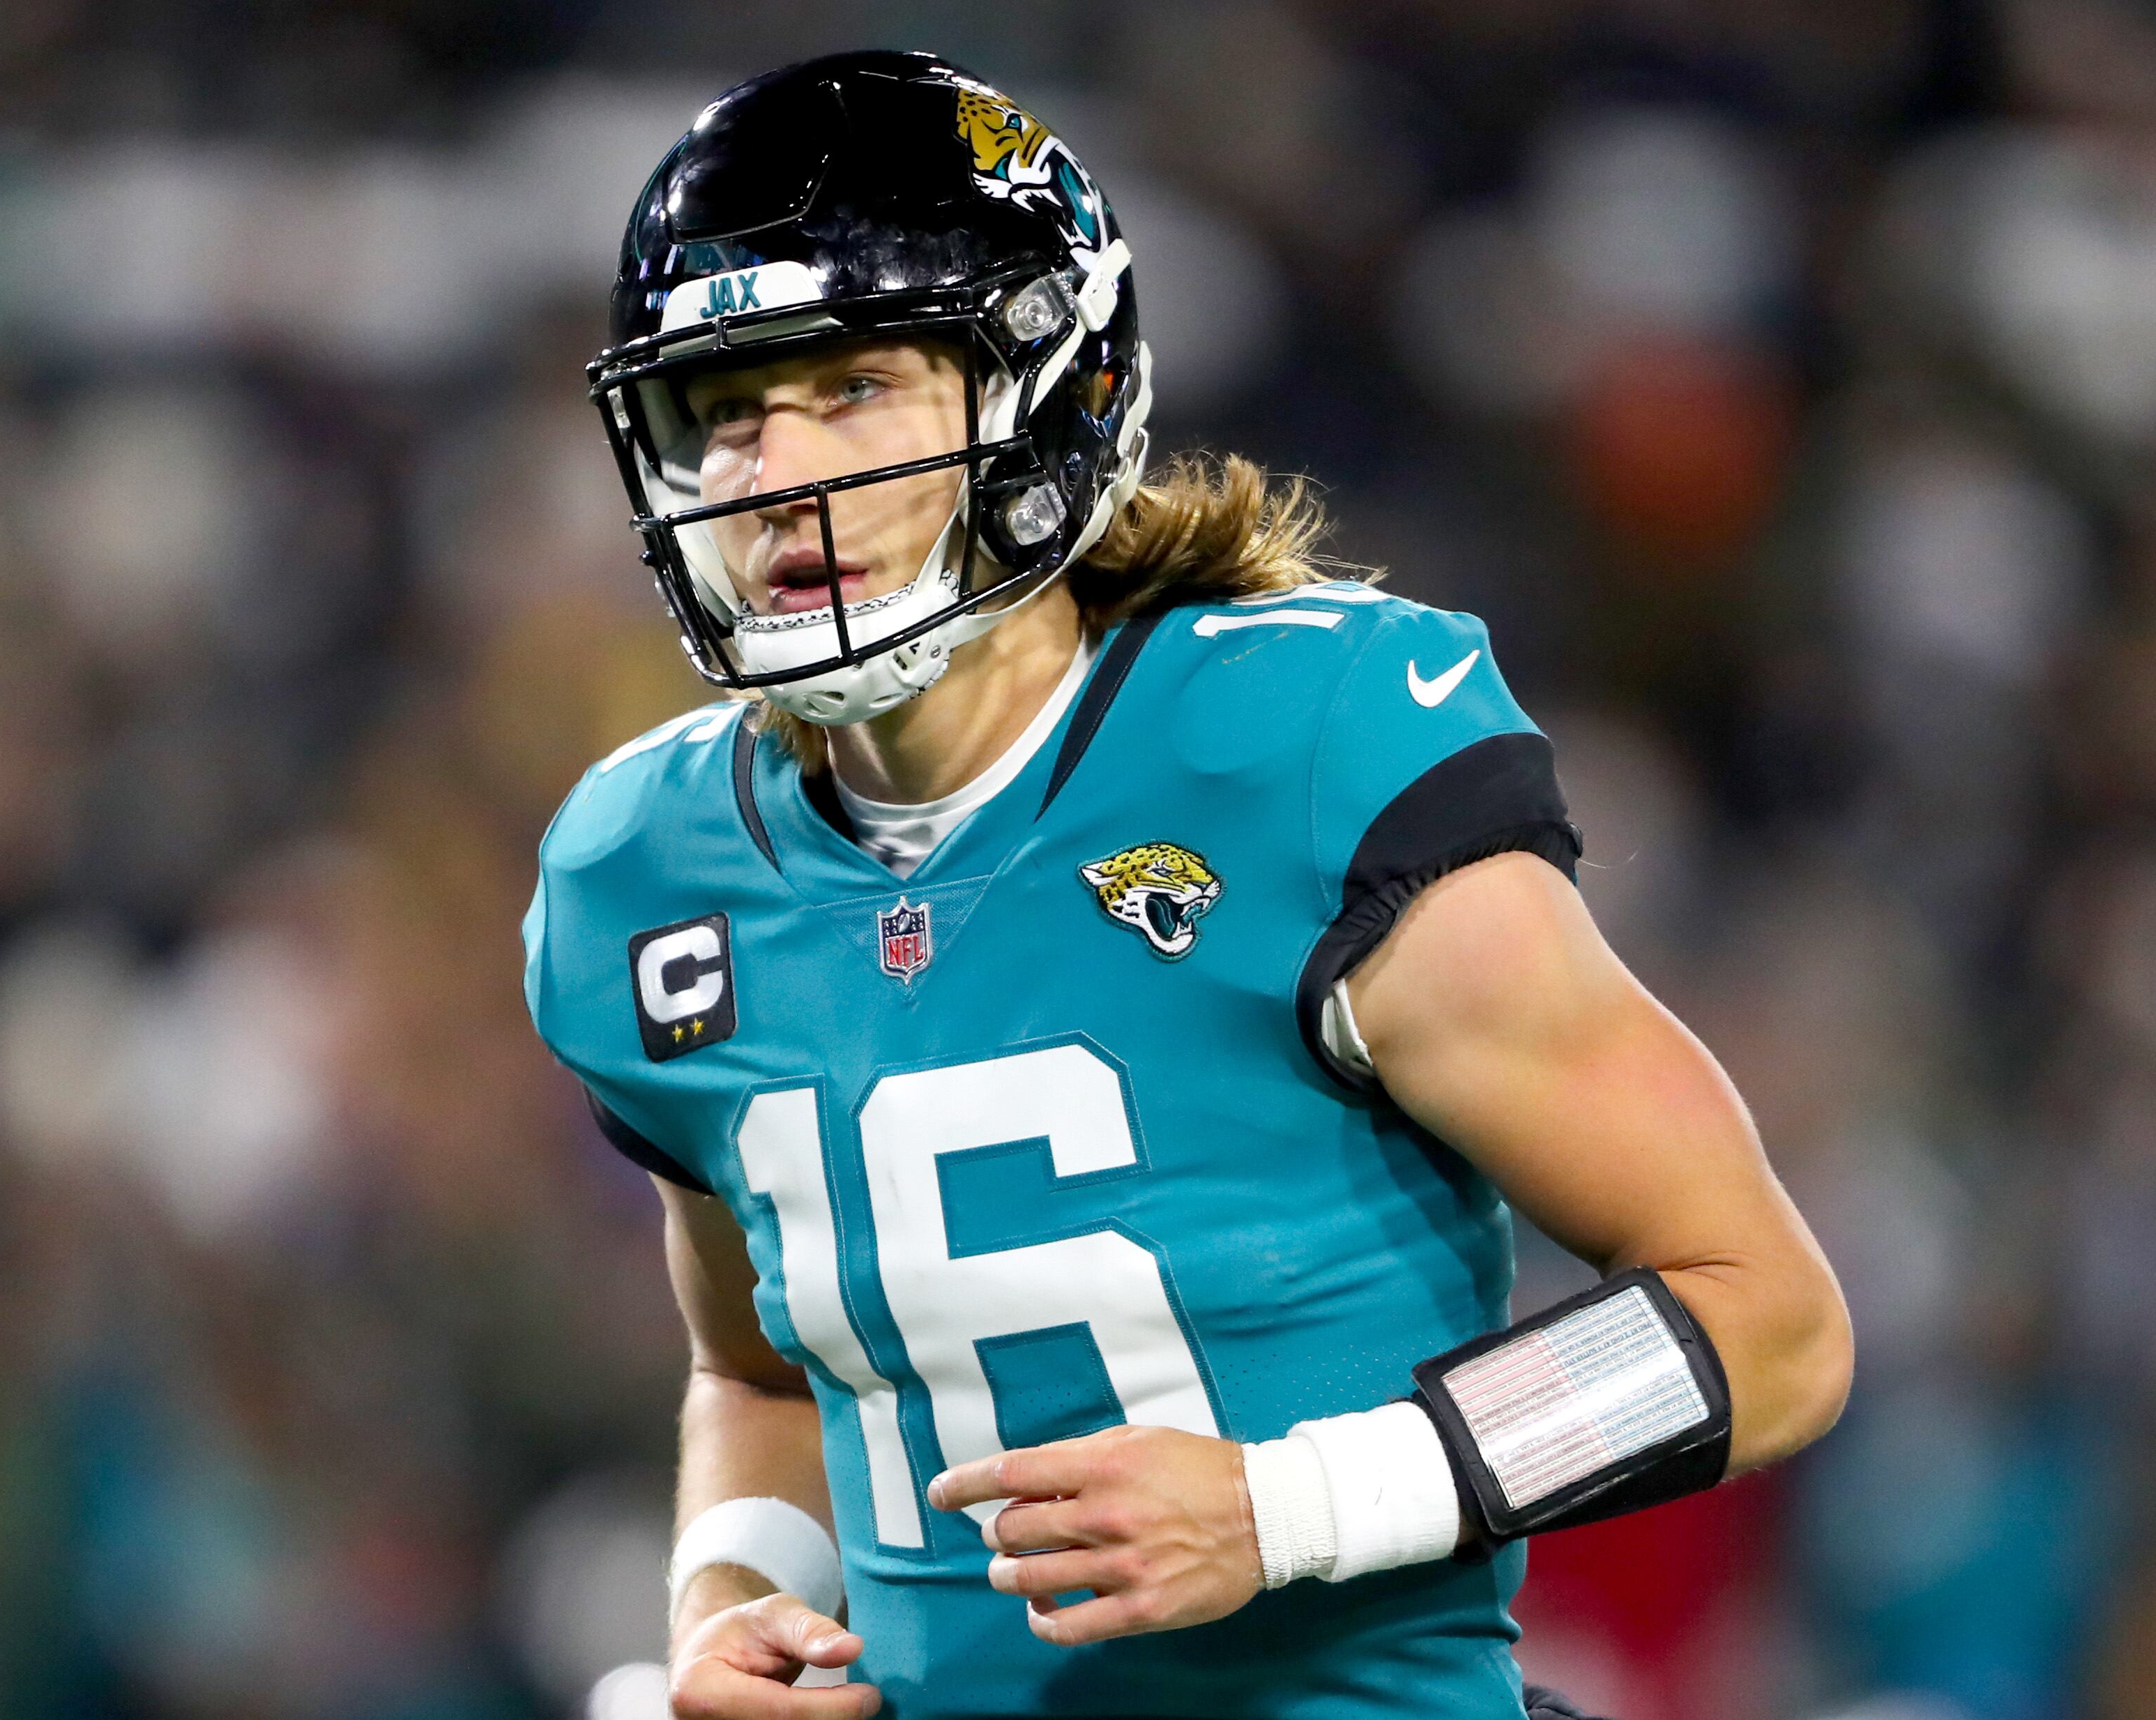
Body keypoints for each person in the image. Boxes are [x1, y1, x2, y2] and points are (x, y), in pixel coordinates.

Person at [525, 51, 1853, 1720]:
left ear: (1043, 387)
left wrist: (1290, 1506)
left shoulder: (1297, 748)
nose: (770, 471)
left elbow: (1763, 1323)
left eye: (853, 385)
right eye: (723, 412)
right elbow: (762, 1373)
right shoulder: (645, 870)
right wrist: (735, 1602)